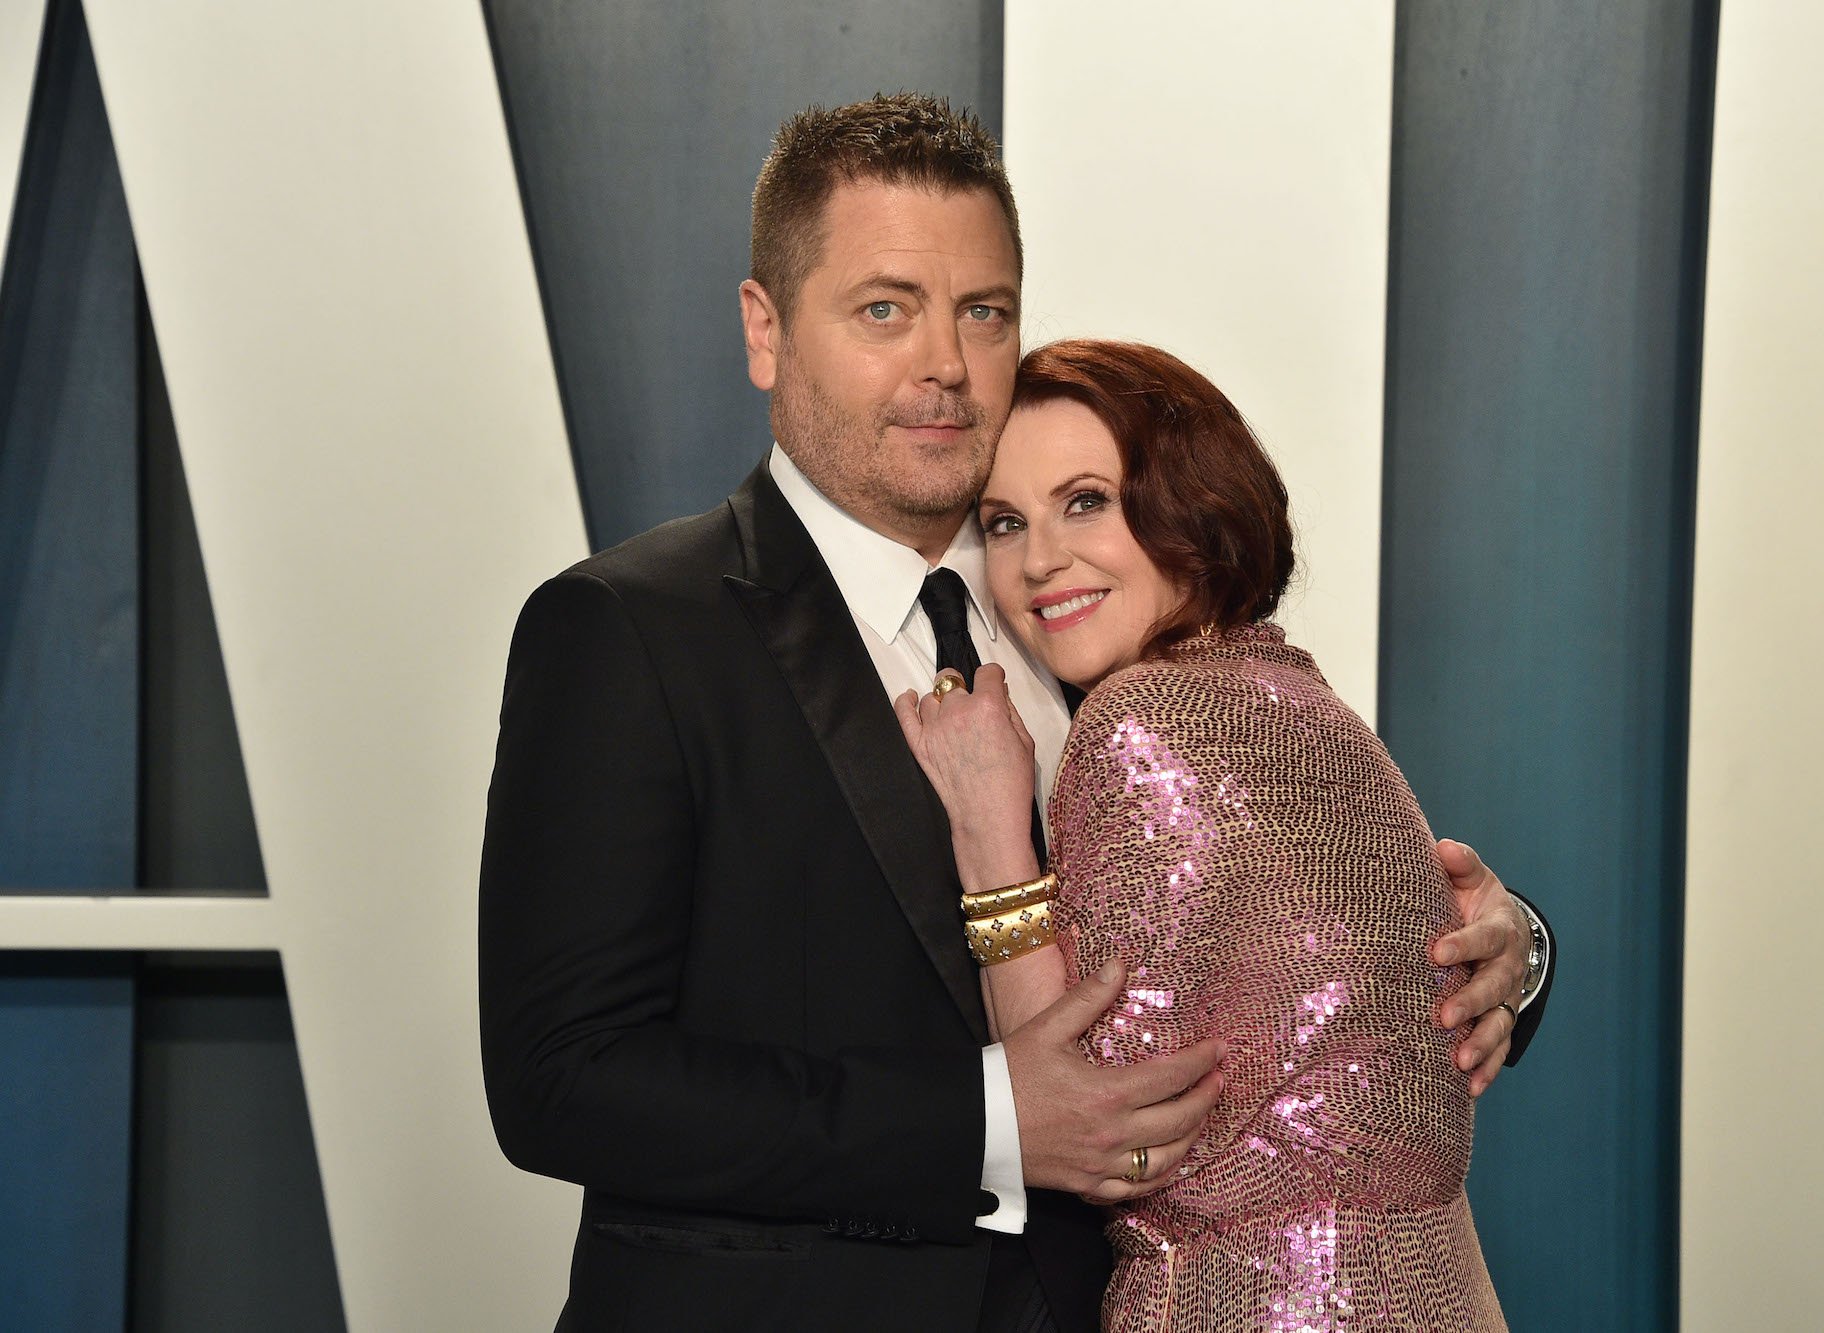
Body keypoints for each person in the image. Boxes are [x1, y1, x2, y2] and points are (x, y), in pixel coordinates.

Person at [479, 94, 1549, 1333]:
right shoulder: (627, 630)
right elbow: (563, 1080)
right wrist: (990, 1121)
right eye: (884, 308)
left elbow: (1276, 964)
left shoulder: (1097, 626)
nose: (944, 362)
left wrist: (1506, 951)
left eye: (981, 312)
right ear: (764, 330)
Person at [895, 339, 1515, 1330]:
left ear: (1189, 502)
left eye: (1086, 499)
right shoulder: (1305, 699)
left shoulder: (1137, 720)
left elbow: (1108, 1134)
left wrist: (988, 839)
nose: (1038, 558)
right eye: (1004, 522)